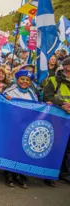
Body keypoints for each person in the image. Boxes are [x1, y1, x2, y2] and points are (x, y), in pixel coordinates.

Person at [3, 70, 56, 188]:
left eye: (27, 80)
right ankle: (9, 175)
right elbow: (3, 104)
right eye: (22, 79)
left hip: (25, 126)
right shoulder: (10, 91)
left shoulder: (32, 94)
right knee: (11, 151)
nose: (25, 82)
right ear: (17, 80)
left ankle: (19, 176)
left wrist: (45, 106)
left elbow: (37, 109)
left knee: (22, 151)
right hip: (12, 126)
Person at [44, 56, 70, 184]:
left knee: (68, 148)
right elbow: (47, 97)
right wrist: (62, 104)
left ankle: (64, 173)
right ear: (67, 67)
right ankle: (48, 174)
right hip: (57, 118)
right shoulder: (54, 80)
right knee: (54, 146)